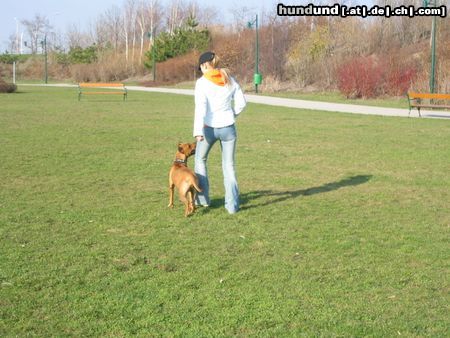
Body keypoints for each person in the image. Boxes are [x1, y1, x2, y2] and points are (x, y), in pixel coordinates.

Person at [193, 51, 247, 214]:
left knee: (200, 160)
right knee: (229, 166)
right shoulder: (229, 78)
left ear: (204, 65)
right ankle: (232, 206)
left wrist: (197, 131)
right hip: (228, 128)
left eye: (200, 67)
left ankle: (203, 200)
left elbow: (200, 108)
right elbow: (242, 103)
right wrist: (233, 114)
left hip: (208, 128)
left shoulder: (202, 83)